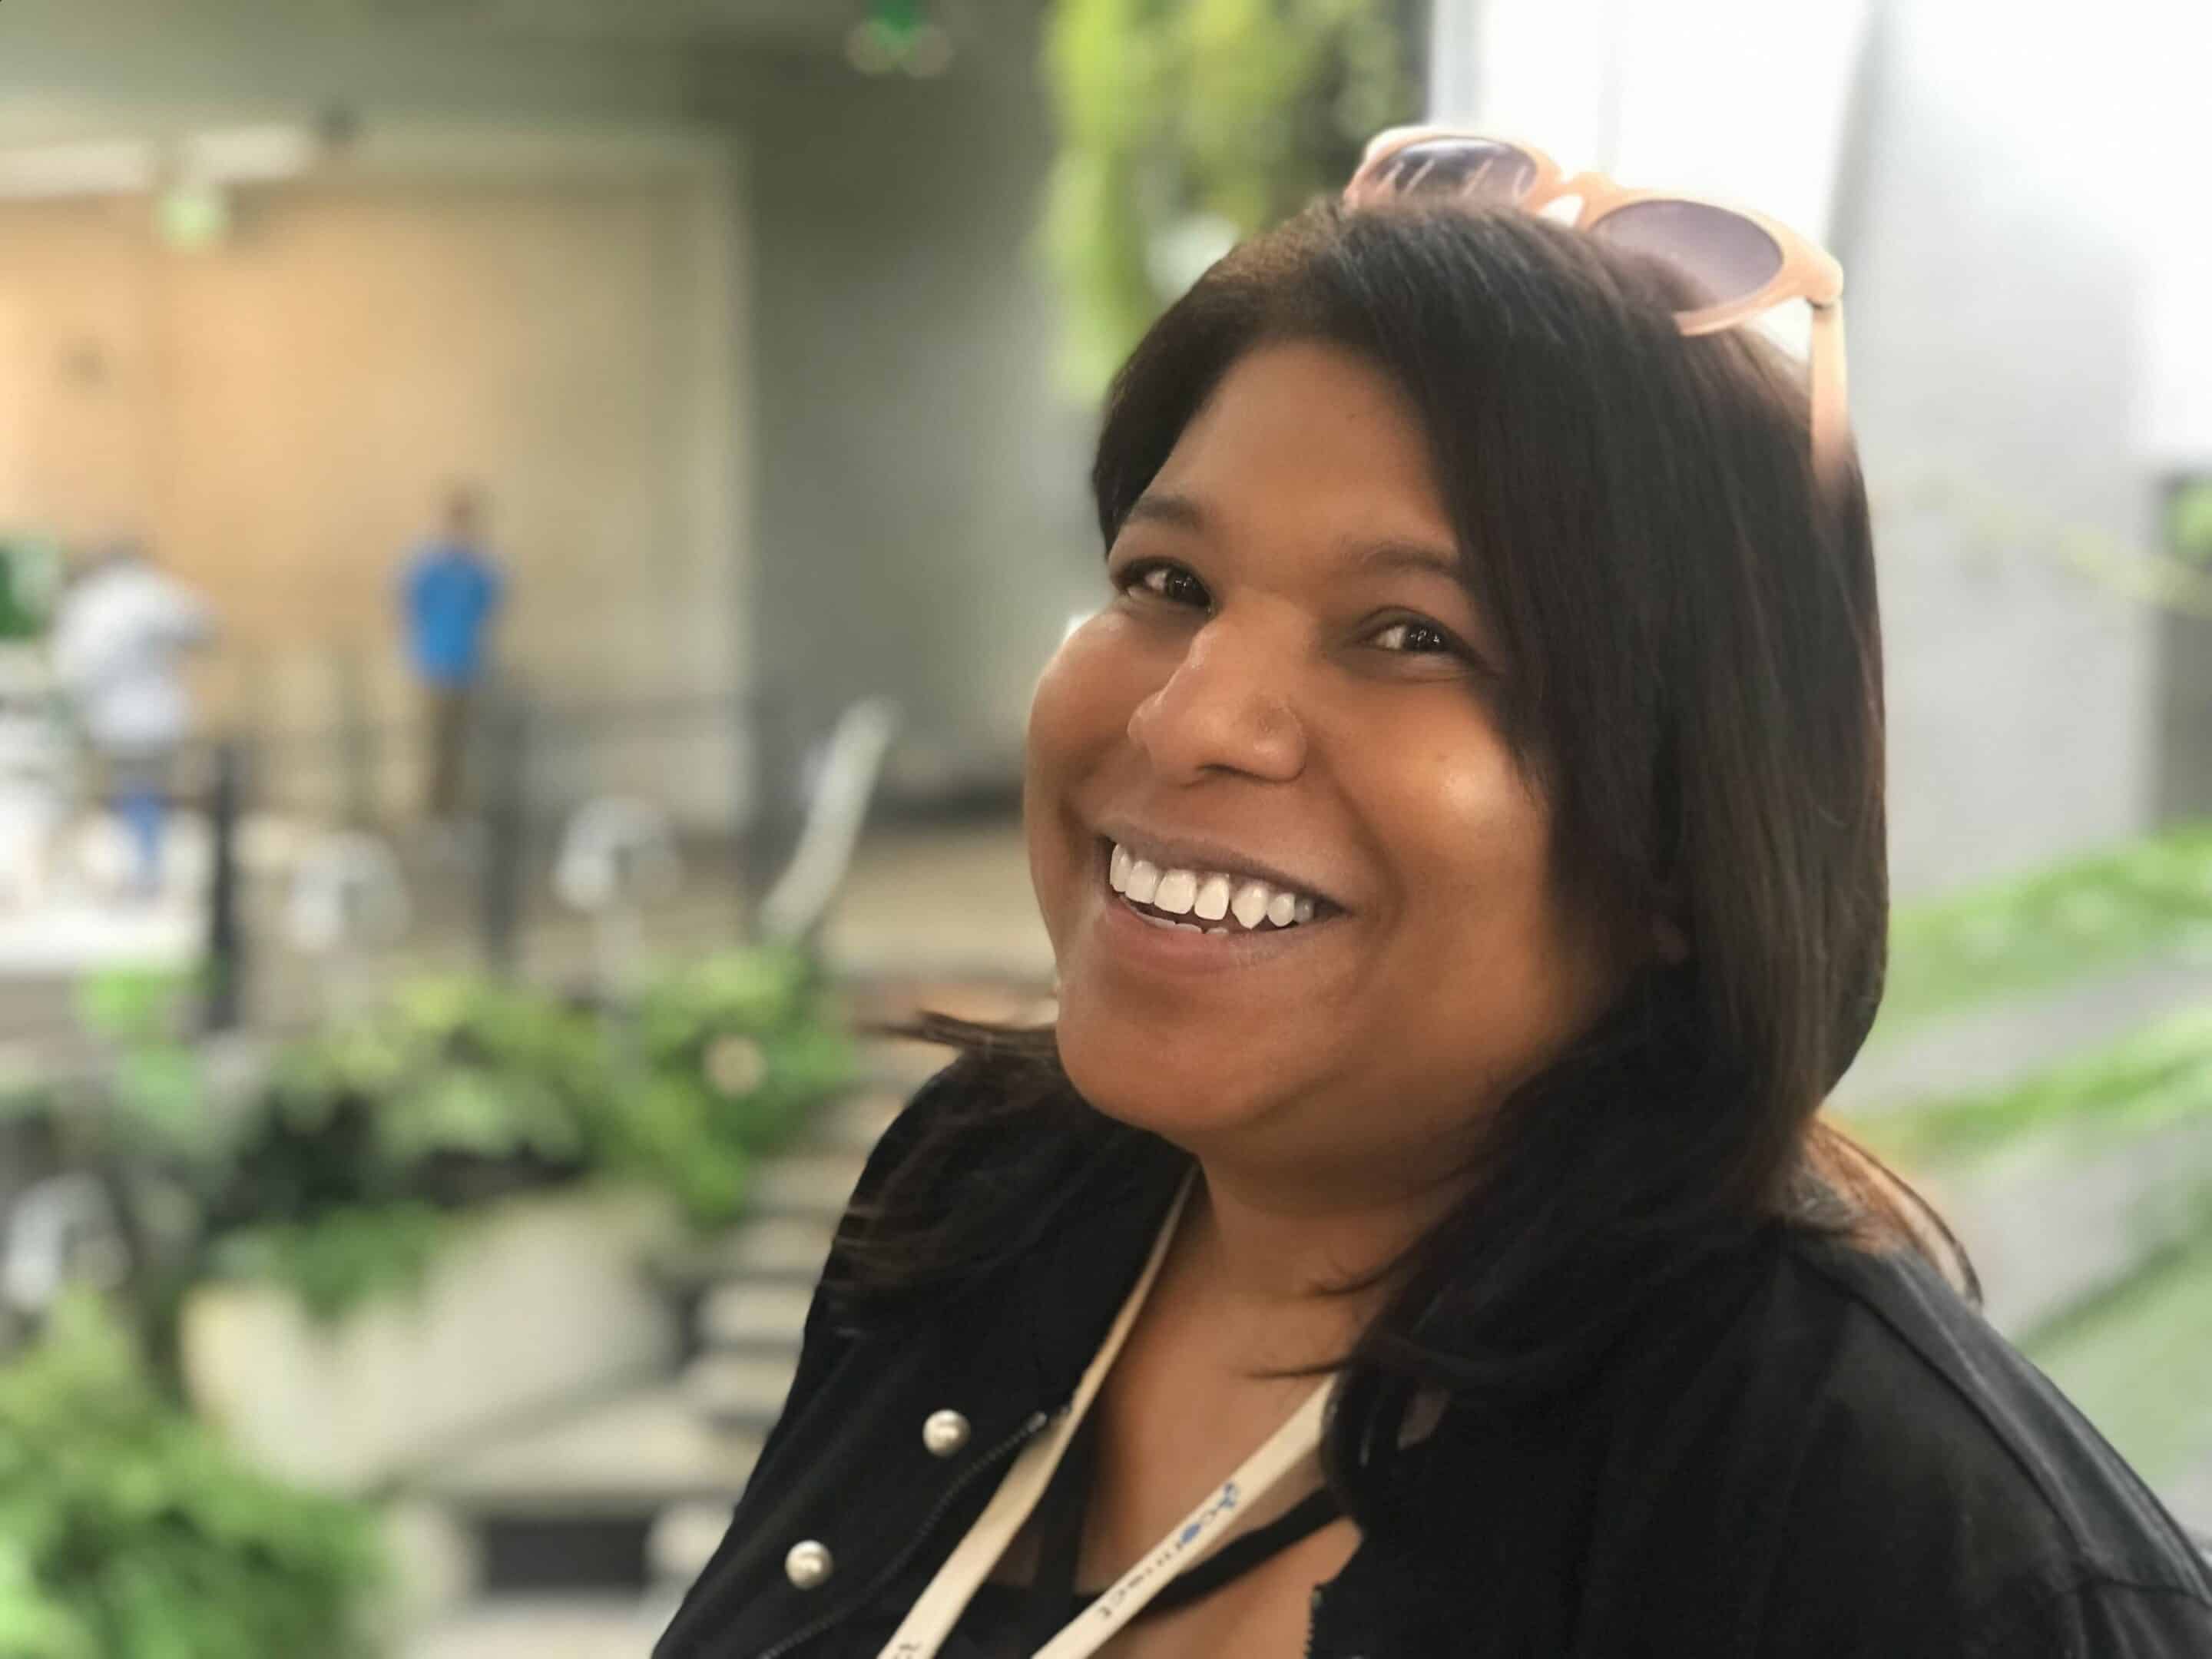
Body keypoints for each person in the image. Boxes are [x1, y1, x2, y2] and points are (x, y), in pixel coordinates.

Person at [657, 133, 2212, 1658]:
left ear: (1687, 833)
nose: (1191, 719)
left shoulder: (1912, 1557)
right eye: (1168, 582)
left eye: (1411, 636)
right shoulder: (989, 1194)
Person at [48, 541, 213, 899]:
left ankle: (135, 876)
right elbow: (204, 629)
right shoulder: (159, 593)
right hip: (159, 717)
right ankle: (144, 871)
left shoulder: (94, 602)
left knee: (127, 796)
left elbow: (73, 669)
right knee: (143, 795)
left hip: (114, 721)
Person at [399, 485, 503, 822]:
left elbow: (491, 603)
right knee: (437, 746)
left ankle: (457, 813)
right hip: (435, 666)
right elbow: (410, 603)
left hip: (467, 666)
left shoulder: (477, 567)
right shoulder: (429, 565)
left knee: (463, 744)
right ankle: (434, 815)